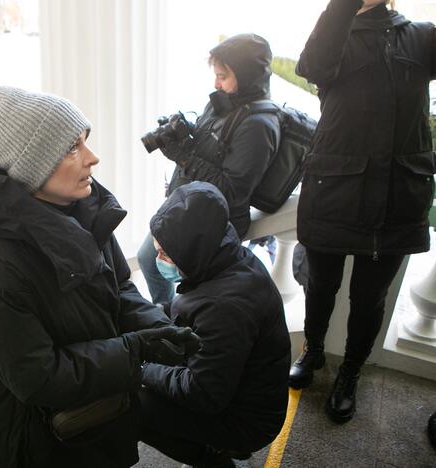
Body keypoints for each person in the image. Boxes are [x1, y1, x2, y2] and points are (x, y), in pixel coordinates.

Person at [0, 86, 201, 468]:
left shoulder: (83, 213)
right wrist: (137, 349)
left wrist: (161, 329)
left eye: (86, 142)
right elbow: (39, 377)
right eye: (72, 148)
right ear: (32, 164)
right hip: (38, 445)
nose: (92, 157)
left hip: (94, 419)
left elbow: (118, 287)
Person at [289, 0, 435, 424]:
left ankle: (350, 371)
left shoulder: (422, 35)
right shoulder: (335, 28)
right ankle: (313, 350)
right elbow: (312, 66)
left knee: (370, 298)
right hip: (334, 190)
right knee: (320, 285)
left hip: (396, 197)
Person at [139, 181, 290, 467]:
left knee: (135, 406)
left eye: (165, 254)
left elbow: (202, 393)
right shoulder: (228, 258)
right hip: (244, 392)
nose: (159, 259)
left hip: (246, 421)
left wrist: (144, 370)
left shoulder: (224, 307)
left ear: (192, 251)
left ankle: (212, 460)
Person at [137, 33, 281, 304]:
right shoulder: (223, 103)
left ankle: (177, 321)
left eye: (223, 76)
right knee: (148, 259)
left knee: (197, 292)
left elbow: (231, 190)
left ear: (246, 75)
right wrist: (184, 132)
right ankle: (167, 315)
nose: (216, 83)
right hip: (187, 209)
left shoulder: (259, 126)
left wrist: (183, 158)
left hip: (211, 225)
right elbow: (212, 146)